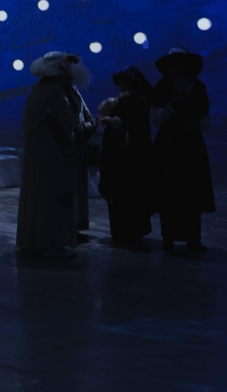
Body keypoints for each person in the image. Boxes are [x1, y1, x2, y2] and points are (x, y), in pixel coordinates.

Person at [16, 52, 86, 258]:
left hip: (42, 148)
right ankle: (50, 240)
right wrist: (68, 148)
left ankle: (39, 239)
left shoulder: (39, 90)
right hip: (51, 150)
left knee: (41, 191)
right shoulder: (54, 92)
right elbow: (55, 123)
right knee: (52, 193)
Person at [150, 48, 215, 255]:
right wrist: (171, 105)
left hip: (190, 145)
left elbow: (205, 119)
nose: (174, 67)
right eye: (172, 64)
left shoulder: (197, 87)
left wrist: (194, 124)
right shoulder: (162, 87)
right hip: (168, 145)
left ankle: (193, 239)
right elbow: (156, 118)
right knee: (168, 192)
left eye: (178, 63)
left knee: (192, 193)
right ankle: (168, 239)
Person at [97, 66, 154, 250]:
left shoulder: (135, 101)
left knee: (129, 191)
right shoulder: (125, 100)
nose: (120, 85)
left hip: (129, 154)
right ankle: (123, 231)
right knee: (120, 191)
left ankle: (130, 231)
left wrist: (113, 122)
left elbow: (135, 125)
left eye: (123, 82)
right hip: (119, 152)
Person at [68, 55, 96, 240]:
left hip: (77, 144)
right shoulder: (65, 91)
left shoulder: (73, 90)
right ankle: (70, 226)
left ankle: (75, 224)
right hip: (70, 145)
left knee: (77, 186)